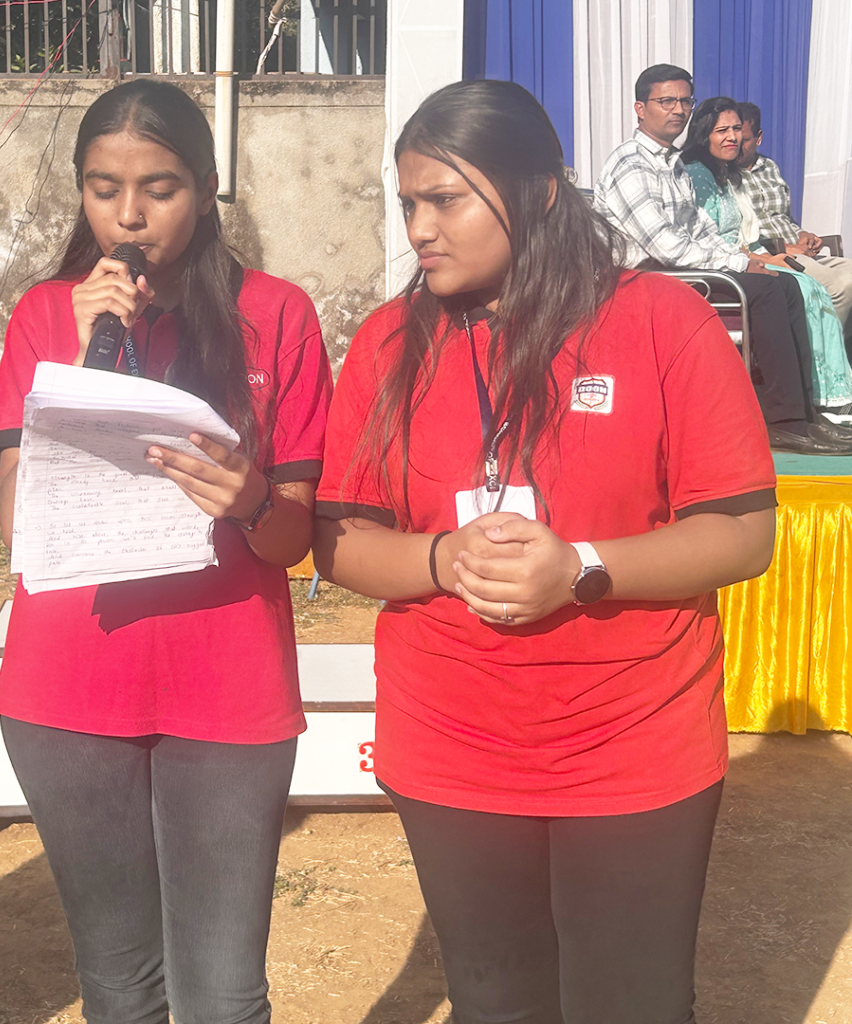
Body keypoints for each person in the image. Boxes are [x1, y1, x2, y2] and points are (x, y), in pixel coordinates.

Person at [314, 78, 777, 1024]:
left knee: (634, 1005)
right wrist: (442, 559)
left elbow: (744, 530)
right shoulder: (388, 344)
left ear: (540, 192)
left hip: (634, 742)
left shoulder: (661, 321)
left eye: (445, 199)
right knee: (498, 1004)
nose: (420, 229)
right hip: (452, 746)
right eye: (408, 203)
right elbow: (340, 540)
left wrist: (582, 568)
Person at [0, 80, 332, 1024]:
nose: (128, 216)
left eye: (160, 189)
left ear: (209, 185)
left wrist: (251, 496)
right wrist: (92, 358)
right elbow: (19, 522)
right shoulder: (45, 315)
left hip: (228, 691)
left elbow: (297, 537)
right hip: (67, 693)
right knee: (121, 989)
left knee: (222, 995)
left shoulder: (277, 315)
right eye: (103, 188)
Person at [594, 63, 852, 455]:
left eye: (684, 101)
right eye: (666, 101)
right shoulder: (631, 164)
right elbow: (665, 245)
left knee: (783, 283)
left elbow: (701, 231)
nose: (677, 110)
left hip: (682, 273)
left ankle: (804, 413)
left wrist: (741, 256)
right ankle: (784, 421)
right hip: (644, 282)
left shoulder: (674, 165)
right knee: (764, 290)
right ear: (640, 108)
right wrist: (736, 264)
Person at [681, 97, 852, 417]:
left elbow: (750, 230)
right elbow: (711, 238)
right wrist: (763, 258)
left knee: (811, 286)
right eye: (722, 130)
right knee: (805, 286)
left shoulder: (728, 175)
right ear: (704, 135)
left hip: (752, 253)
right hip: (722, 266)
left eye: (735, 129)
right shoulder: (696, 176)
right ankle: (815, 393)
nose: (732, 136)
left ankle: (826, 392)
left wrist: (767, 253)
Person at [736, 101, 852, 350]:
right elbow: (742, 234)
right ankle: (823, 357)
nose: (736, 143)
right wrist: (787, 248)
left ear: (758, 138)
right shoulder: (727, 175)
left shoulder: (770, 168)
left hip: (799, 250)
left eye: (744, 138)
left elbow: (783, 217)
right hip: (773, 254)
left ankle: (845, 353)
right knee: (841, 286)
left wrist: (804, 234)